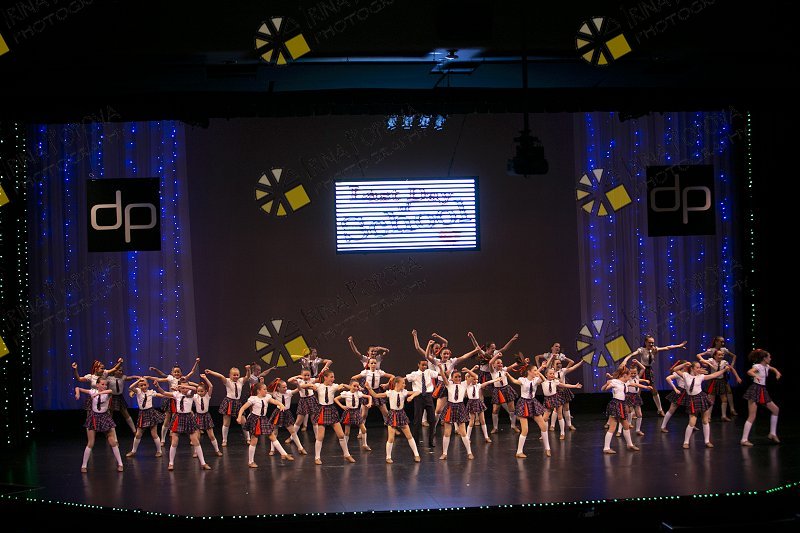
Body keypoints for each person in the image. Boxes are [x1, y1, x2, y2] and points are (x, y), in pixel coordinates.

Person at [298, 369, 356, 465]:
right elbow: (302, 386)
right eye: (331, 377)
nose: (333, 379)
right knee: (320, 436)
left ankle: (347, 455)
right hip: (322, 410)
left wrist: (344, 385)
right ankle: (317, 457)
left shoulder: (334, 386)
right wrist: (309, 384)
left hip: (331, 410)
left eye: (333, 377)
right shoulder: (318, 386)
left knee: (341, 435)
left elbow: (349, 388)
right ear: (325, 377)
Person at [153, 377, 211, 471]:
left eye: (186, 387)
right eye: (182, 388)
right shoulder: (176, 394)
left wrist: (184, 386)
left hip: (188, 418)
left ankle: (203, 463)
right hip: (178, 417)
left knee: (195, 441)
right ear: (179, 388)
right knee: (174, 441)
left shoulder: (190, 394)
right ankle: (171, 463)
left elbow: (195, 389)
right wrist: (158, 386)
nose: (185, 389)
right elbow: (164, 393)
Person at [671, 361, 731, 449]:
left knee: (705, 420)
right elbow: (675, 369)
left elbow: (714, 375)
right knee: (692, 422)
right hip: (692, 399)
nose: (699, 369)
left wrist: (724, 370)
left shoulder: (701, 377)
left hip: (701, 398)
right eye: (697, 367)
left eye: (700, 367)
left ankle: (707, 441)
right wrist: (684, 364)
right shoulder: (686, 375)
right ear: (692, 368)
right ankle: (686, 442)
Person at [626, 336, 687, 416]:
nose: (651, 344)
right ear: (645, 342)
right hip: (642, 369)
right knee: (637, 391)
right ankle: (634, 411)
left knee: (654, 390)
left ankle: (660, 409)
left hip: (649, 370)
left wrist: (679, 346)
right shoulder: (642, 350)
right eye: (649, 342)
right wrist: (625, 360)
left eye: (652, 342)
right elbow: (632, 354)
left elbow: (667, 348)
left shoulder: (654, 349)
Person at [236, 382, 294, 467]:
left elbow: (274, 401)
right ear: (258, 391)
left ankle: (284, 454)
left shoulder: (267, 397)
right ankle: (250, 462)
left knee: (272, 436)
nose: (266, 391)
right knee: (254, 440)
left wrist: (281, 404)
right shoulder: (253, 399)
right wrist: (239, 417)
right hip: (255, 419)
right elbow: (243, 408)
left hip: (263, 419)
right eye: (264, 389)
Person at [365, 377, 421, 463]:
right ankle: (388, 457)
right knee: (391, 438)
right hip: (393, 414)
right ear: (397, 384)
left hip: (401, 414)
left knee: (409, 436)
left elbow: (418, 392)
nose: (404, 385)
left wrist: (412, 397)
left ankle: (416, 454)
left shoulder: (404, 392)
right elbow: (376, 395)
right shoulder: (390, 393)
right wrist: (369, 388)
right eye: (403, 383)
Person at [74, 378, 124, 472]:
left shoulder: (107, 393)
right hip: (94, 417)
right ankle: (84, 465)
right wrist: (77, 393)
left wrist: (98, 394)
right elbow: (78, 388)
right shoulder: (92, 391)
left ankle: (120, 464)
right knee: (91, 443)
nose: (104, 386)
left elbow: (110, 391)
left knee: (112, 441)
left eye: (105, 384)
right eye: (102, 384)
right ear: (97, 385)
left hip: (104, 417)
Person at [601, 365, 651, 454]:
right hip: (616, 404)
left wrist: (646, 387)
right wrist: (606, 384)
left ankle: (630, 444)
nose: (630, 378)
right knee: (612, 427)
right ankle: (606, 448)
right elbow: (603, 389)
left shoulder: (625, 383)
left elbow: (635, 384)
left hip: (622, 404)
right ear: (625, 375)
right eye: (629, 376)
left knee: (626, 425)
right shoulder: (614, 382)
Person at [149, 357, 200, 443]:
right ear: (172, 373)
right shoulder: (170, 378)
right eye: (175, 372)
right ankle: (163, 439)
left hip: (182, 400)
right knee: (167, 418)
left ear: (181, 373)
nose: (176, 373)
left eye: (178, 372)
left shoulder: (183, 379)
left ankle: (193, 436)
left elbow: (192, 372)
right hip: (172, 398)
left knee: (189, 415)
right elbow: (160, 377)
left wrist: (196, 362)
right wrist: (150, 377)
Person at [506, 364, 550, 458]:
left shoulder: (536, 380)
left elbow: (544, 380)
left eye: (536, 370)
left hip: (533, 403)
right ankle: (519, 452)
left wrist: (539, 372)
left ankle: (547, 448)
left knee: (543, 426)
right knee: (525, 429)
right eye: (534, 370)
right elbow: (514, 381)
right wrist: (508, 375)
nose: (536, 372)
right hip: (524, 403)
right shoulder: (523, 380)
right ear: (529, 372)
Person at [740, 349, 782, 446]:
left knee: (775, 410)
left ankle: (772, 433)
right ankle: (744, 439)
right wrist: (756, 375)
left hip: (763, 390)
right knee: (752, 415)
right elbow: (749, 372)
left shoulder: (766, 366)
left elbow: (772, 368)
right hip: (755, 389)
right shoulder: (758, 366)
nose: (770, 359)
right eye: (769, 357)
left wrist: (777, 372)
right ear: (764, 358)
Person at [204, 366, 250, 446]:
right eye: (234, 375)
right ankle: (224, 440)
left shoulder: (240, 381)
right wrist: (210, 372)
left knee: (243, 421)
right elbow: (220, 376)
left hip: (237, 402)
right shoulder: (227, 381)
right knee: (226, 422)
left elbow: (247, 376)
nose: (236, 376)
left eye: (237, 375)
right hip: (229, 402)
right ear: (230, 375)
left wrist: (248, 370)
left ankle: (248, 438)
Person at [435, 366, 473, 460]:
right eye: (456, 377)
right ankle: (444, 453)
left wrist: (468, 370)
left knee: (463, 432)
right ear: (452, 378)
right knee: (447, 432)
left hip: (460, 407)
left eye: (459, 377)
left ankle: (469, 452)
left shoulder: (464, 384)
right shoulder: (449, 384)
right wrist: (440, 369)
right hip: (450, 407)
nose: (458, 378)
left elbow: (475, 377)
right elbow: (443, 376)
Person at [405, 351, 440, 449]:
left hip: (428, 396)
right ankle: (416, 441)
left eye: (426, 365)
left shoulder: (429, 372)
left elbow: (439, 374)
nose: (424, 366)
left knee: (432, 420)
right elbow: (405, 378)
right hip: (418, 397)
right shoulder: (414, 374)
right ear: (418, 365)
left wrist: (444, 371)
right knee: (417, 420)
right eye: (423, 365)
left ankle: (431, 441)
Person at [697, 336, 739, 415]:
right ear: (716, 342)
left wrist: (732, 366)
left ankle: (731, 409)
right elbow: (699, 356)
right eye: (721, 342)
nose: (722, 343)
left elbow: (734, 356)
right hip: (714, 374)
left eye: (723, 342)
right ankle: (708, 414)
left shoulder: (724, 351)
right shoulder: (711, 351)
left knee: (728, 392)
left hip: (723, 374)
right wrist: (708, 364)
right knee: (711, 396)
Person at [126, 378, 164, 458]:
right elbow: (130, 387)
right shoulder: (138, 391)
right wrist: (138, 381)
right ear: (139, 386)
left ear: (148, 385)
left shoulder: (151, 392)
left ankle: (159, 451)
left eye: (144, 385)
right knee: (138, 434)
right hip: (142, 414)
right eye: (141, 385)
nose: (143, 387)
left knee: (154, 434)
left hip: (151, 413)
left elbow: (160, 395)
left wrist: (167, 395)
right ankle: (133, 451)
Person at [267, 378, 307, 455]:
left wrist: (297, 384)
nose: (285, 388)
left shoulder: (289, 392)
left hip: (286, 413)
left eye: (286, 386)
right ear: (278, 388)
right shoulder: (275, 393)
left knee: (293, 431)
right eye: (283, 387)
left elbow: (298, 389)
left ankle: (300, 447)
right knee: (274, 431)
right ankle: (272, 449)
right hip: (278, 413)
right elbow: (267, 392)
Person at [462, 365, 501, 443]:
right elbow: (467, 375)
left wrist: (495, 380)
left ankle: (486, 437)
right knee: (471, 421)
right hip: (471, 403)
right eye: (474, 379)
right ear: (470, 379)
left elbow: (487, 382)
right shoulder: (467, 385)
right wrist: (469, 370)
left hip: (478, 402)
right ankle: (467, 437)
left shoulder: (478, 385)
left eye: (477, 379)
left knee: (482, 420)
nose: (476, 380)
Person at [334, 379, 372, 452]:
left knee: (364, 429)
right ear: (350, 386)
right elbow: (335, 399)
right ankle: (345, 447)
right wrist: (342, 406)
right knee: (347, 432)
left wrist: (369, 403)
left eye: (357, 386)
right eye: (354, 386)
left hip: (356, 412)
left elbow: (369, 397)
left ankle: (364, 444)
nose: (356, 388)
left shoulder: (358, 394)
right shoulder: (346, 393)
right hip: (348, 412)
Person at [193, 374, 222, 457]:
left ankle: (217, 450)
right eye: (198, 391)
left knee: (211, 435)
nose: (200, 393)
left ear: (205, 391)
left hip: (206, 416)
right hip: (198, 416)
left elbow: (211, 386)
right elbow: (190, 390)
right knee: (197, 436)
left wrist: (205, 378)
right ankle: (196, 451)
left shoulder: (207, 396)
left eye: (202, 391)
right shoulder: (195, 397)